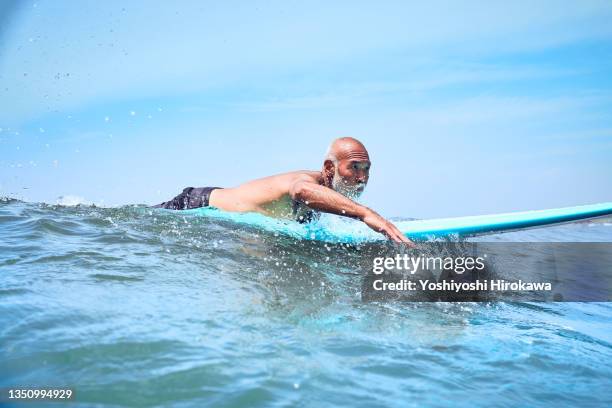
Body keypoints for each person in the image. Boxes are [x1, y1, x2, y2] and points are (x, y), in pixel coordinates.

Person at [154, 137, 413, 244]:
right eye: (354, 167)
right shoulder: (306, 181)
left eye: (367, 168)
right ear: (329, 169)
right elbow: (300, 191)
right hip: (194, 205)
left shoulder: (329, 195)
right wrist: (365, 214)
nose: (362, 177)